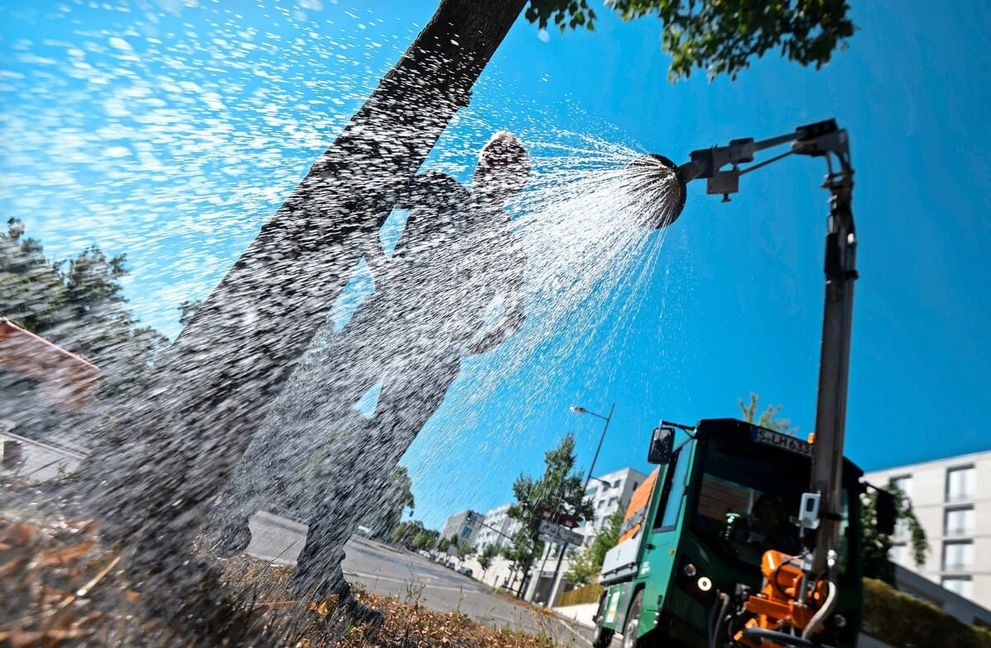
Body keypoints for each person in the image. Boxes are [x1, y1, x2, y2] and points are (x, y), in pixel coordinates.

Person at [209, 132, 531, 608]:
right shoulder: (441, 188)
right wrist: (380, 265)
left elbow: (515, 312)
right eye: (492, 163)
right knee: (311, 416)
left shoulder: (505, 240)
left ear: (517, 185)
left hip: (436, 359)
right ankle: (230, 514)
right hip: (382, 321)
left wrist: (483, 338)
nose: (496, 176)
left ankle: (317, 569)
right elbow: (370, 208)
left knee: (374, 459)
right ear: (480, 164)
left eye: (507, 172)